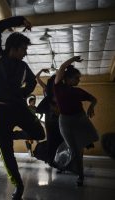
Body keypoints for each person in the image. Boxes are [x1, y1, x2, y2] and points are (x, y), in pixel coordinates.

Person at [0, 16, 45, 200]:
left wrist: (21, 94)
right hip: (0, 110)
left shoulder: (23, 66)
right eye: (24, 49)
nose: (25, 53)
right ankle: (18, 185)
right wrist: (20, 20)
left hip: (18, 107)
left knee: (39, 133)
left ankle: (13, 135)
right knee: (6, 151)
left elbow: (32, 81)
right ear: (13, 48)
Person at [54, 56, 99, 186]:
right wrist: (73, 59)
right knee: (75, 149)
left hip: (80, 119)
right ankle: (78, 173)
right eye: (76, 78)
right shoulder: (58, 87)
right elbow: (62, 67)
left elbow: (94, 99)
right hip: (65, 121)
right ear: (67, 79)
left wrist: (91, 106)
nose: (79, 80)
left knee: (86, 143)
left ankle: (79, 172)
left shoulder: (78, 91)